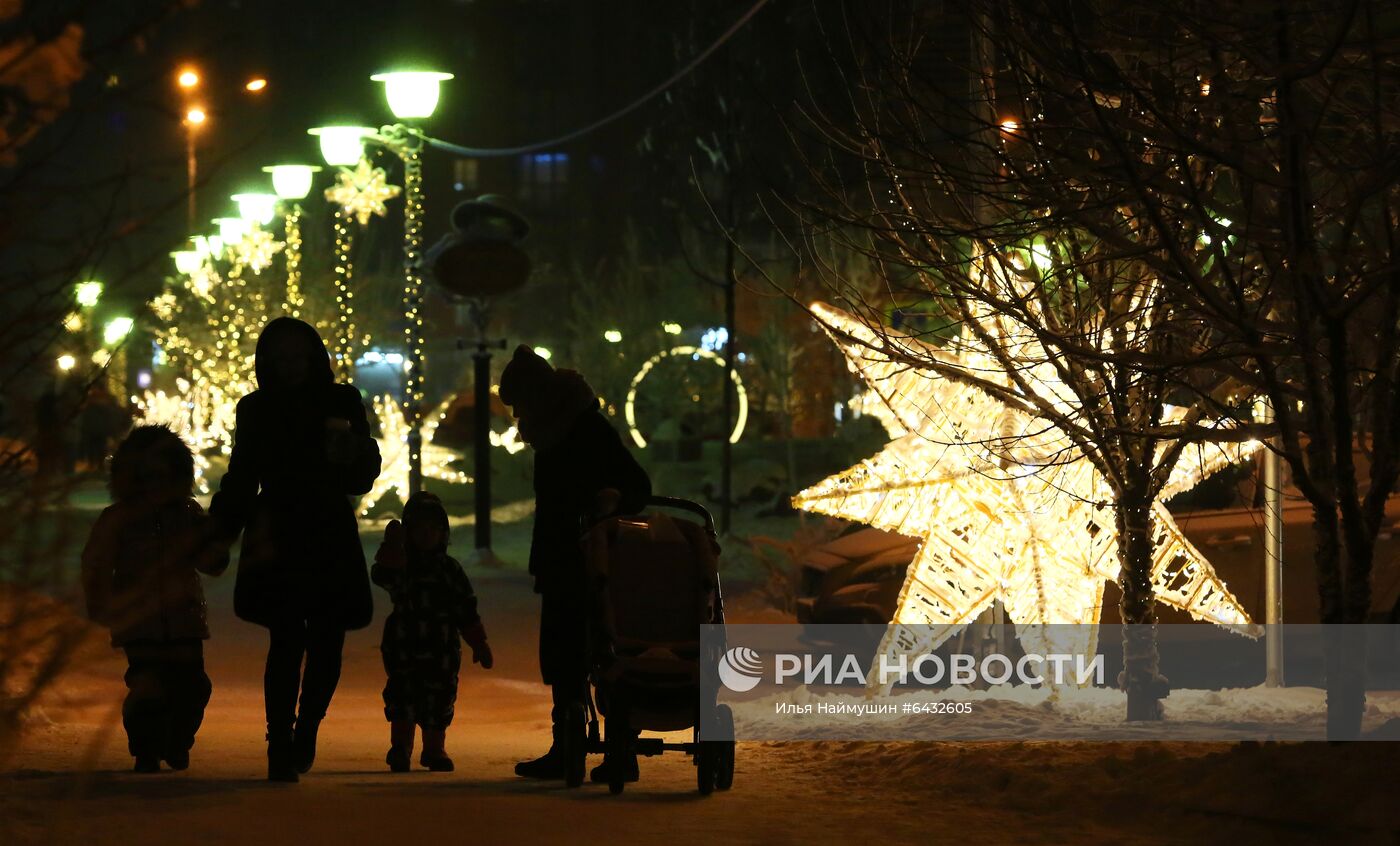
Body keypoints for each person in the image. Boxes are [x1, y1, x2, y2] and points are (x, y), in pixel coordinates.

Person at [209, 317, 381, 782]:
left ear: (312, 357)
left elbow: (362, 474)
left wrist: (351, 451)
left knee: (327, 640)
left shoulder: (341, 401)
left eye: (297, 357)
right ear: (268, 362)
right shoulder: (257, 409)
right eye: (280, 358)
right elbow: (242, 476)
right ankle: (280, 740)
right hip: (279, 530)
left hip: (326, 527)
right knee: (286, 640)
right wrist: (220, 530)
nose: (289, 367)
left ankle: (306, 729)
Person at [498, 345, 651, 784]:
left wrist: (611, 498)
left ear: (538, 396)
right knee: (566, 658)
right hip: (561, 559)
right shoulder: (554, 431)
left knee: (605, 652)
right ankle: (569, 744)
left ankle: (615, 749)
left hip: (596, 564)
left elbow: (636, 484)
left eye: (519, 404)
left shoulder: (584, 429)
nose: (516, 417)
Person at [80, 426, 228, 772]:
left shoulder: (187, 516)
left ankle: (177, 740)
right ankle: (146, 747)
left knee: (192, 686)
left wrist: (214, 541)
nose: (155, 485)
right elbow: (96, 562)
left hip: (183, 617)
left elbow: (210, 561)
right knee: (148, 686)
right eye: (147, 477)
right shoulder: (119, 520)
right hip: (138, 619)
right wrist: (101, 601)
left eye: (163, 476)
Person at [371, 492, 493, 773]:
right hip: (404, 644)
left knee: (439, 698)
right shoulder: (403, 566)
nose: (427, 536)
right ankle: (401, 746)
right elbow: (382, 576)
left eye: (433, 530)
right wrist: (391, 551)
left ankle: (434, 748)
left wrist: (479, 642)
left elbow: (465, 608)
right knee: (403, 694)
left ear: (443, 533)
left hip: (442, 648)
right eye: (419, 530)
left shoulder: (449, 570)